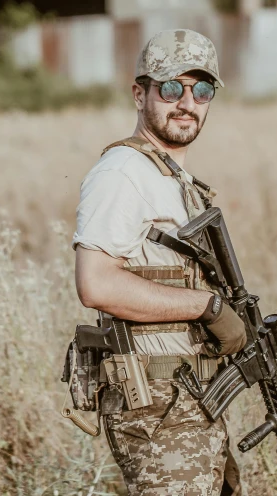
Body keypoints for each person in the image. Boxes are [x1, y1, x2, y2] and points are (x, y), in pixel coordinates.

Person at [72, 29, 246, 496]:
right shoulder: (121, 174)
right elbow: (96, 284)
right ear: (139, 93)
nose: (186, 102)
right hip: (155, 410)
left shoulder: (173, 177)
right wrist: (206, 306)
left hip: (188, 403)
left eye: (201, 89)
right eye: (171, 88)